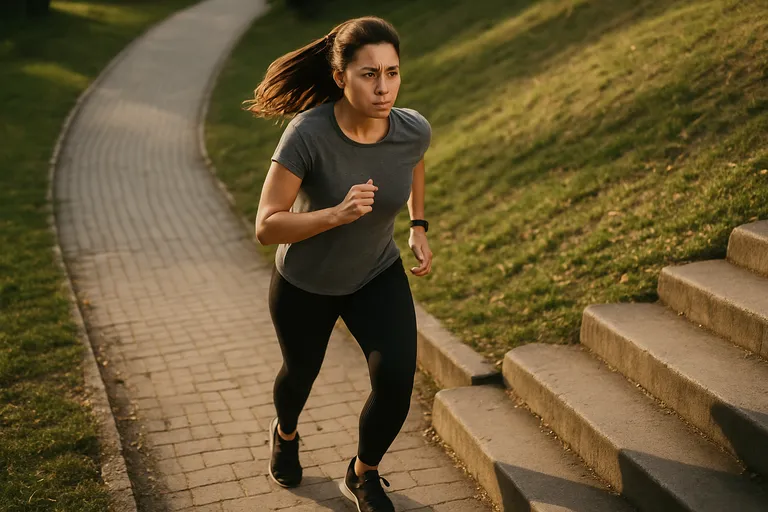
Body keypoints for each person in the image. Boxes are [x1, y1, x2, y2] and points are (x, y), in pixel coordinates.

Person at [243, 15, 433, 512]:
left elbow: (412, 162)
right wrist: (336, 214)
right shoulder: (307, 135)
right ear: (340, 77)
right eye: (369, 73)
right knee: (300, 374)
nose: (384, 86)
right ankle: (285, 434)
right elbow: (267, 226)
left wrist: (417, 225)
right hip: (305, 281)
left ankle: (363, 473)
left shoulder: (412, 129)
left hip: (374, 272)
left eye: (392, 72)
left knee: (396, 381)